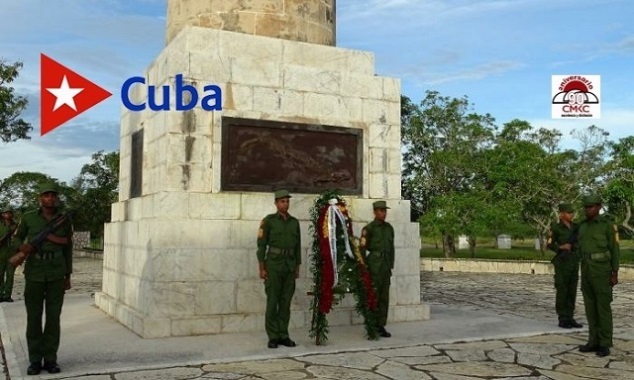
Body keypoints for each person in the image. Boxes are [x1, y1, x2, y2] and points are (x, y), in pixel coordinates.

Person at [10, 184, 73, 375]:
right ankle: (35, 360)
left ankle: (51, 360)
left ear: (57, 198)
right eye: (46, 195)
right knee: (34, 318)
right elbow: (15, 238)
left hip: (56, 273)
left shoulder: (64, 219)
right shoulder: (29, 217)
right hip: (35, 272)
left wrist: (67, 275)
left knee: (53, 318)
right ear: (40, 198)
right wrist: (23, 248)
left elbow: (67, 248)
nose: (50, 198)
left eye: (53, 195)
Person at [256, 190, 301, 349]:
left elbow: (297, 247)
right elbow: (261, 246)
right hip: (273, 265)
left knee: (285, 302)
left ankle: (284, 334)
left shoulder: (294, 222)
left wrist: (297, 267)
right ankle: (273, 336)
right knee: (273, 301)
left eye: (287, 201)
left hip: (289, 265)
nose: (285, 204)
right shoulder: (268, 221)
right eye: (282, 201)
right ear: (276, 203)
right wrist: (262, 268)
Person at [577, 194, 620, 358]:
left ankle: (604, 343)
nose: (587, 209)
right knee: (590, 308)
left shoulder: (607, 226)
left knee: (603, 308)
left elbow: (615, 249)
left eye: (591, 207)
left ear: (599, 207)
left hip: (602, 271)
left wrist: (614, 272)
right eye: (586, 207)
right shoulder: (582, 226)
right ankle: (593, 341)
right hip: (586, 270)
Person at [360, 200, 395, 338]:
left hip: (385, 266)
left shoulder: (389, 228)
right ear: (374, 212)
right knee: (373, 296)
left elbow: (391, 248)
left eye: (385, 210)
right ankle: (371, 326)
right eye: (381, 211)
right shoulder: (368, 229)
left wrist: (391, 264)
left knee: (384, 297)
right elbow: (362, 249)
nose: (383, 213)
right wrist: (363, 268)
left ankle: (380, 325)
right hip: (374, 265)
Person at [547, 203, 582, 329]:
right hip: (562, 263)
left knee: (572, 291)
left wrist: (574, 246)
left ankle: (570, 317)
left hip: (573, 261)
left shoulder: (577, 227)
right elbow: (549, 243)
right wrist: (560, 247)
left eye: (572, 212)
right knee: (562, 290)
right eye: (568, 212)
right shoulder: (555, 228)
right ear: (561, 214)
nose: (571, 214)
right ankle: (562, 318)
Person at [0, 208, 18, 302]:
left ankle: (7, 295)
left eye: (9, 213)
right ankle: (0, 294)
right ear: (2, 214)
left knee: (10, 275)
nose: (7, 214)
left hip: (12, 253)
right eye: (5, 213)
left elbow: (19, 239)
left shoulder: (16, 225)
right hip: (1, 253)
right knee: (0, 274)